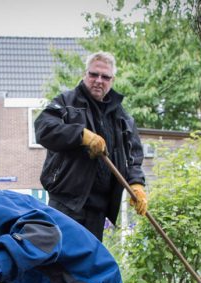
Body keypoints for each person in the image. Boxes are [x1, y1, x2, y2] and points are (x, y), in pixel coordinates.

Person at [34, 51, 148, 241]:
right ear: (85, 74)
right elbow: (43, 128)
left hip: (98, 209)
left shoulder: (121, 117)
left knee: (88, 264)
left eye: (105, 77)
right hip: (66, 203)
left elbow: (133, 154)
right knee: (59, 263)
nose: (98, 80)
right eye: (94, 74)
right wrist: (80, 135)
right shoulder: (66, 103)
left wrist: (136, 184)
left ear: (112, 80)